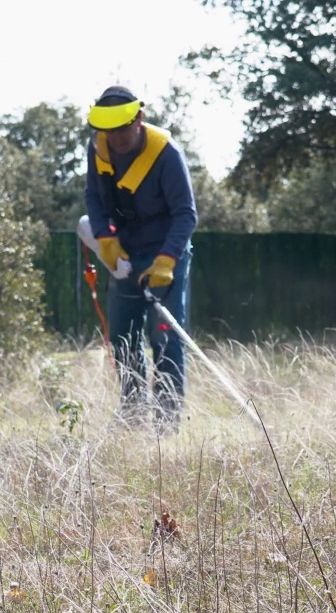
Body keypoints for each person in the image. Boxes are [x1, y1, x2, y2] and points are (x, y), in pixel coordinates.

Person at [82, 86, 198, 434]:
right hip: (124, 255)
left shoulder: (166, 153)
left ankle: (166, 426)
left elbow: (186, 215)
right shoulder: (97, 149)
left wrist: (165, 262)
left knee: (165, 338)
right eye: (108, 130)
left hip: (166, 253)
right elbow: (94, 199)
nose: (116, 137)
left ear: (139, 120)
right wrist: (105, 237)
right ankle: (133, 417)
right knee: (123, 337)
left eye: (122, 128)